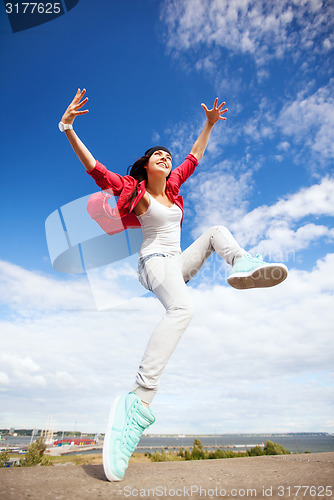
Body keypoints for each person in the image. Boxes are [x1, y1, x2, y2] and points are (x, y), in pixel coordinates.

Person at [59, 89, 288, 481]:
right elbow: (97, 169)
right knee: (183, 309)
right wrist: (68, 128)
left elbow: (193, 157)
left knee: (216, 232)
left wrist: (209, 124)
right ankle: (138, 400)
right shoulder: (136, 192)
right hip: (153, 265)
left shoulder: (175, 188)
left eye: (167, 155)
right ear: (146, 166)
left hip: (176, 264)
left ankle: (243, 265)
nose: (166, 158)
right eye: (157, 155)